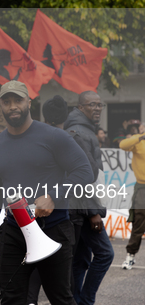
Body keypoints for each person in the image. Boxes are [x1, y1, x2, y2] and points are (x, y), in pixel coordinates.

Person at [0, 81, 93, 305]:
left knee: (61, 298)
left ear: (29, 102)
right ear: (1, 106)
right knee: (11, 298)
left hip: (53, 229)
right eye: (7, 102)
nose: (13, 106)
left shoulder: (54, 137)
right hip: (13, 232)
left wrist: (53, 196)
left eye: (18, 100)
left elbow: (85, 172)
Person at [64, 91, 113, 305]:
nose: (97, 108)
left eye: (100, 105)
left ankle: (76, 301)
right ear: (80, 107)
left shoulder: (82, 131)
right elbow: (83, 176)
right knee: (105, 254)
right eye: (92, 105)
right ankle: (85, 301)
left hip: (79, 207)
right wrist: (93, 212)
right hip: (82, 208)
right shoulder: (80, 133)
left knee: (80, 260)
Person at [119, 122, 145, 270]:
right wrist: (140, 137)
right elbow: (123, 145)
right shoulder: (138, 140)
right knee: (139, 222)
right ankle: (130, 256)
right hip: (142, 187)